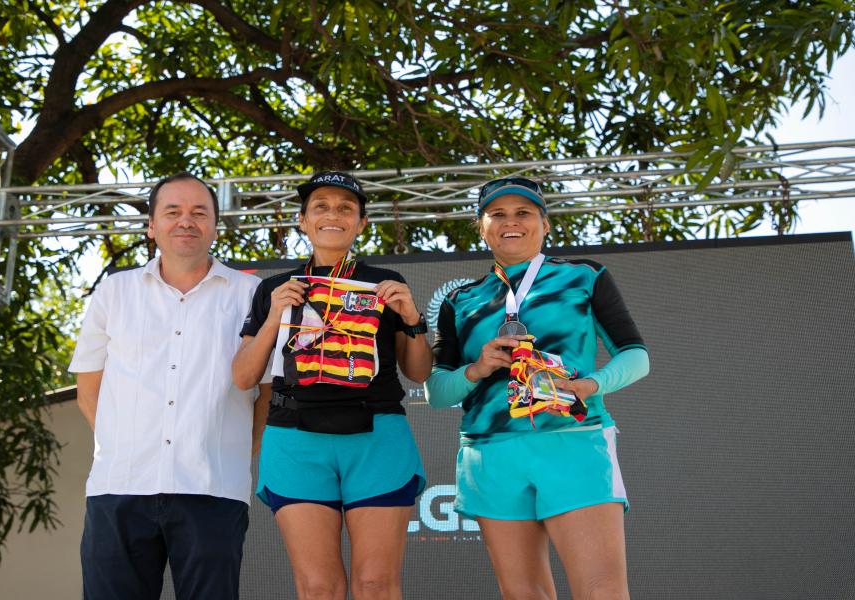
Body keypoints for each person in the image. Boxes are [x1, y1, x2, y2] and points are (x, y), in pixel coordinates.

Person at [424, 177, 650, 600]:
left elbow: (637, 356)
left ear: (544, 224)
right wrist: (477, 369)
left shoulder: (583, 276)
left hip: (572, 442)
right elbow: (437, 392)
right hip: (490, 453)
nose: (511, 222)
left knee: (602, 591)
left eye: (523, 213)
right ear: (482, 226)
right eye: (498, 214)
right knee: (523, 594)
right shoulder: (462, 300)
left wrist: (589, 384)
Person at [231, 171, 432, 600]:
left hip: (376, 435)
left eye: (346, 208)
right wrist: (274, 316)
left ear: (361, 223)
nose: (333, 215)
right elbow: (244, 376)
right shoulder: (274, 288)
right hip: (295, 436)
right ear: (302, 220)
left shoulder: (385, 281)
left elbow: (418, 373)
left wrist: (413, 319)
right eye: (320, 206)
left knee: (376, 585)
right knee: (319, 587)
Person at [68, 172, 268, 600]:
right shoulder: (114, 291)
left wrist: (229, 454)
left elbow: (267, 393)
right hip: (117, 489)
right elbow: (90, 392)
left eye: (199, 212)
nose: (186, 221)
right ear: (151, 225)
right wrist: (124, 446)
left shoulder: (252, 293)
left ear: (215, 225)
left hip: (213, 490)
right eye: (172, 211)